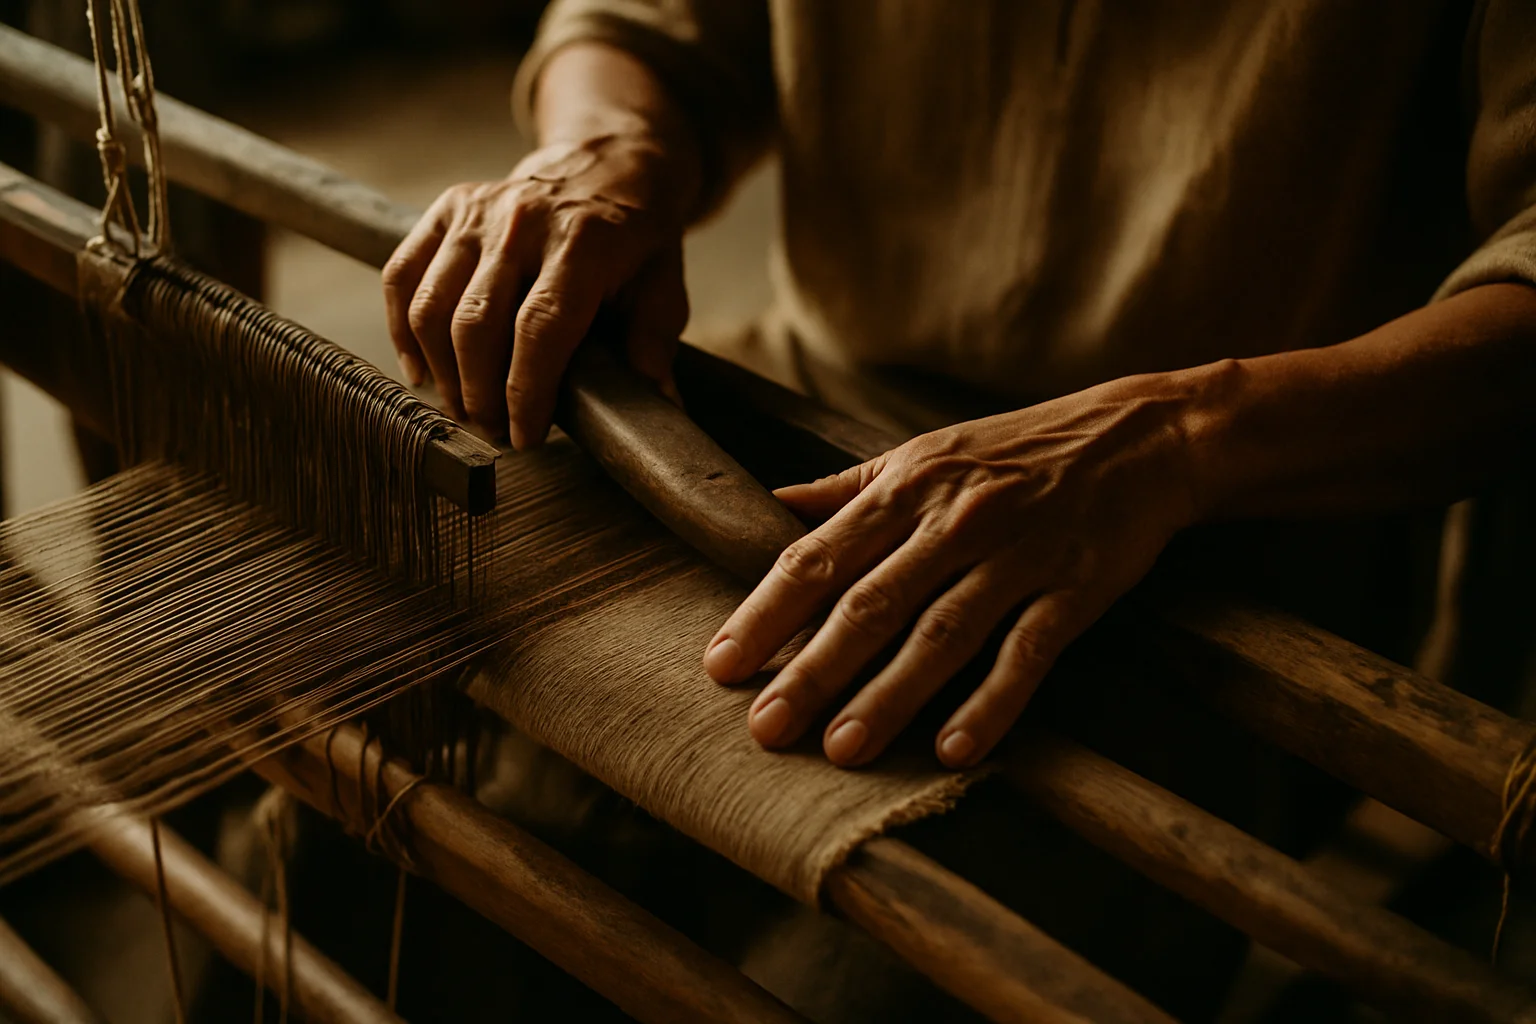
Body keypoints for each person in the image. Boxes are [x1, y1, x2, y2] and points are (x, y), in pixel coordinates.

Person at [383, 1, 1536, 775]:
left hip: (1221, 535)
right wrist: (610, 137)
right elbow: (653, 20)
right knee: (369, 786)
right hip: (793, 411)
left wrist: (1180, 436)